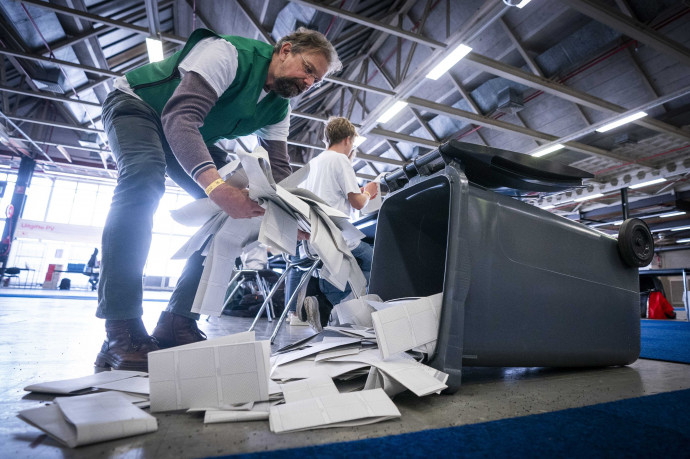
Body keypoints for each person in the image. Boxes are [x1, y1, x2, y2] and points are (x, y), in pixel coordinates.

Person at [95, 27, 340, 371]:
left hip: (190, 133)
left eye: (316, 80)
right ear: (285, 50)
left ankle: (177, 320)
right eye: (309, 69)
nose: (309, 82)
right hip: (140, 107)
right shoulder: (229, 55)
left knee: (245, 204)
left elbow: (279, 171)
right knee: (143, 179)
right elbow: (180, 117)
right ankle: (120, 330)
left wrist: (292, 217)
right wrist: (216, 188)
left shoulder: (279, 108)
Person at [295, 117, 379, 331]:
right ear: (348, 140)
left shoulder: (313, 164)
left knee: (338, 266)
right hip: (337, 237)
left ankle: (325, 305)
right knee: (372, 258)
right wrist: (369, 192)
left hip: (313, 239)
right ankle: (359, 312)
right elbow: (358, 203)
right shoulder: (341, 160)